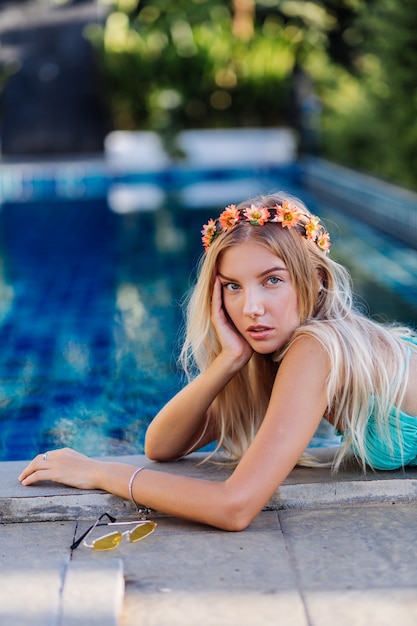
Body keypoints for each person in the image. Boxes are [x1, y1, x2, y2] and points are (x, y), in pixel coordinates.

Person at [19, 192, 417, 531]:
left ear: (315, 280)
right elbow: (161, 445)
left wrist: (100, 473)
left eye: (272, 280)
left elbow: (234, 506)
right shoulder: (278, 356)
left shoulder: (316, 347)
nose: (252, 308)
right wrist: (228, 362)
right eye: (232, 287)